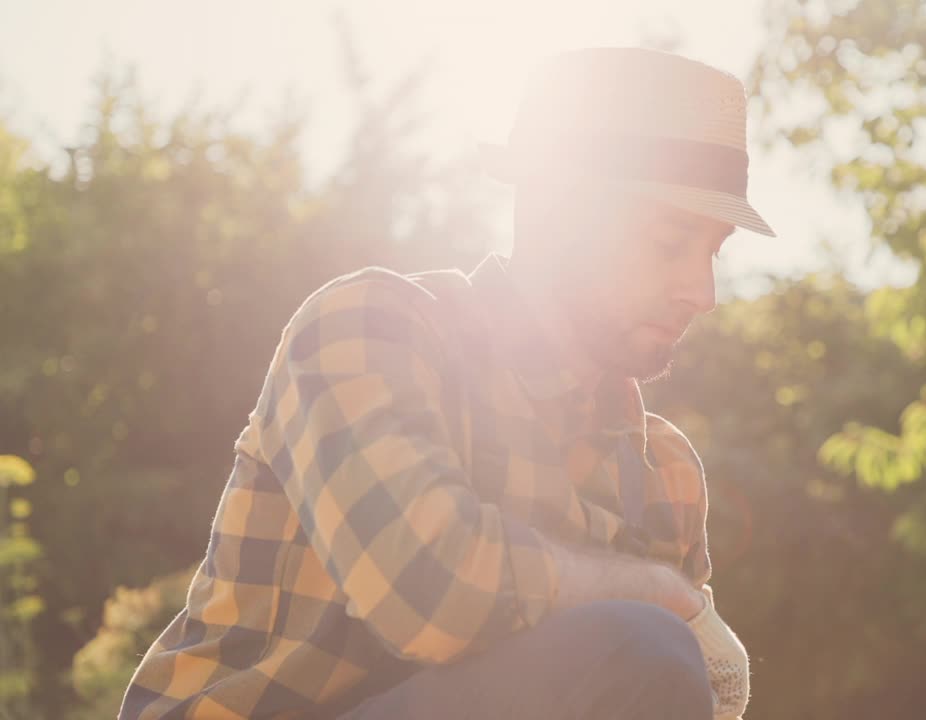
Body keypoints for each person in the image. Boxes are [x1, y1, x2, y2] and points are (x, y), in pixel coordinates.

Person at [121, 46, 775, 720]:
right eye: (672, 243)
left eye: (714, 251)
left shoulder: (664, 473)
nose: (704, 292)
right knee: (641, 645)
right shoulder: (366, 330)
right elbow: (430, 590)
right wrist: (659, 595)